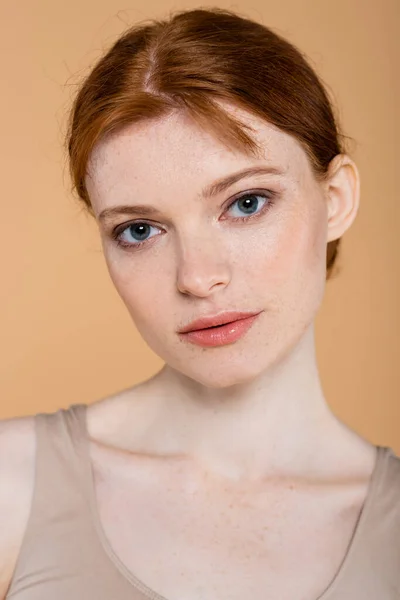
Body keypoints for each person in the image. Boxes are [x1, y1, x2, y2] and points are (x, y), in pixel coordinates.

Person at [1, 6, 399, 600]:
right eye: (140, 230)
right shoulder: (12, 487)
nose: (198, 276)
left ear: (336, 198)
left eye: (246, 203)